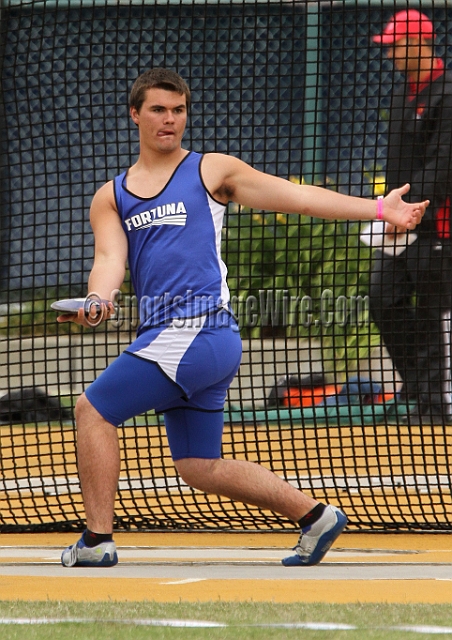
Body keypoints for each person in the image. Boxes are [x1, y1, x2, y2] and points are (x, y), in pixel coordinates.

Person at [58, 68, 426, 568]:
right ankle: (315, 516)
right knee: (198, 465)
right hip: (186, 341)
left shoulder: (212, 171)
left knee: (92, 410)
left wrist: (380, 209)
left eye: (178, 110)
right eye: (158, 110)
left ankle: (97, 540)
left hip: (199, 329)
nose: (170, 120)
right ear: (135, 115)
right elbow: (108, 261)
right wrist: (98, 300)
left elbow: (297, 197)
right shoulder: (112, 196)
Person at [371, 9, 452, 425]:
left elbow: (443, 165)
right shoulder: (404, 92)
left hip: (438, 224)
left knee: (433, 309)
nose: (391, 55)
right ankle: (422, 393)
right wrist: (391, 209)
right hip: (401, 222)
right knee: (383, 299)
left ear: (420, 42)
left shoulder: (448, 92)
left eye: (396, 46)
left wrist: (407, 208)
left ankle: (436, 405)